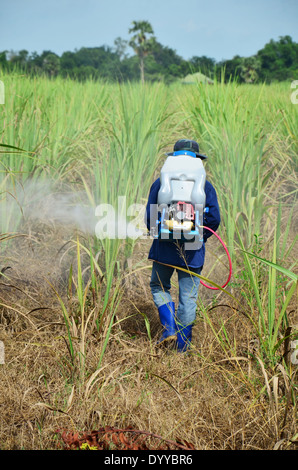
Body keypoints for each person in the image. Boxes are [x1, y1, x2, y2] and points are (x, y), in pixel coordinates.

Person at [145, 139, 221, 352]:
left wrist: (160, 234)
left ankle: (169, 329)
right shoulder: (205, 186)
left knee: (159, 286)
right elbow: (214, 219)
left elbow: (149, 217)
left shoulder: (160, 183)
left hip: (164, 251)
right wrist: (196, 235)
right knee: (188, 299)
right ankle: (181, 349)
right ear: (197, 160)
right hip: (193, 255)